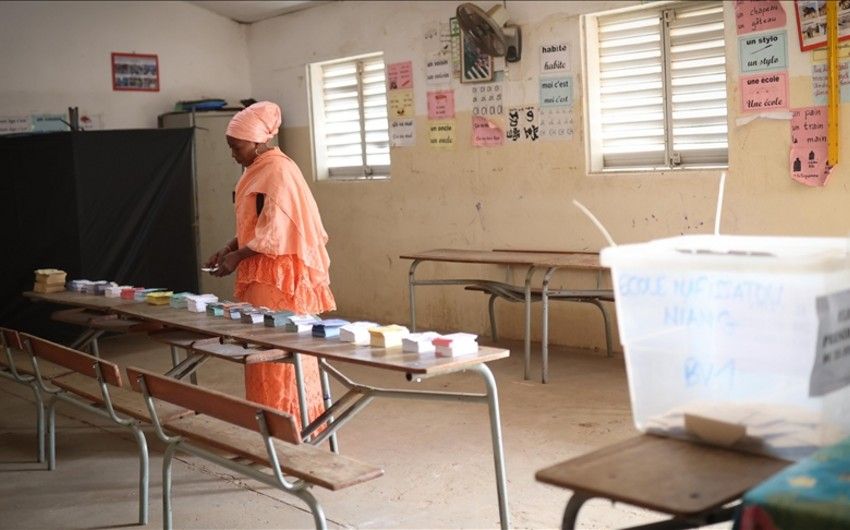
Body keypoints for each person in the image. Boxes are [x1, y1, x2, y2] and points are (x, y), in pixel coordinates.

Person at [205, 101, 336, 427]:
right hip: (260, 271)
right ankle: (268, 421)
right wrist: (229, 247)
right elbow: (255, 224)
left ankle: (292, 422)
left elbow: (276, 232)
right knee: (260, 349)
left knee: (280, 350)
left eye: (236, 147)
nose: (233, 154)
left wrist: (238, 257)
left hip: (278, 278)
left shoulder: (278, 171)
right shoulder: (257, 169)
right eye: (230, 147)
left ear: (256, 141)